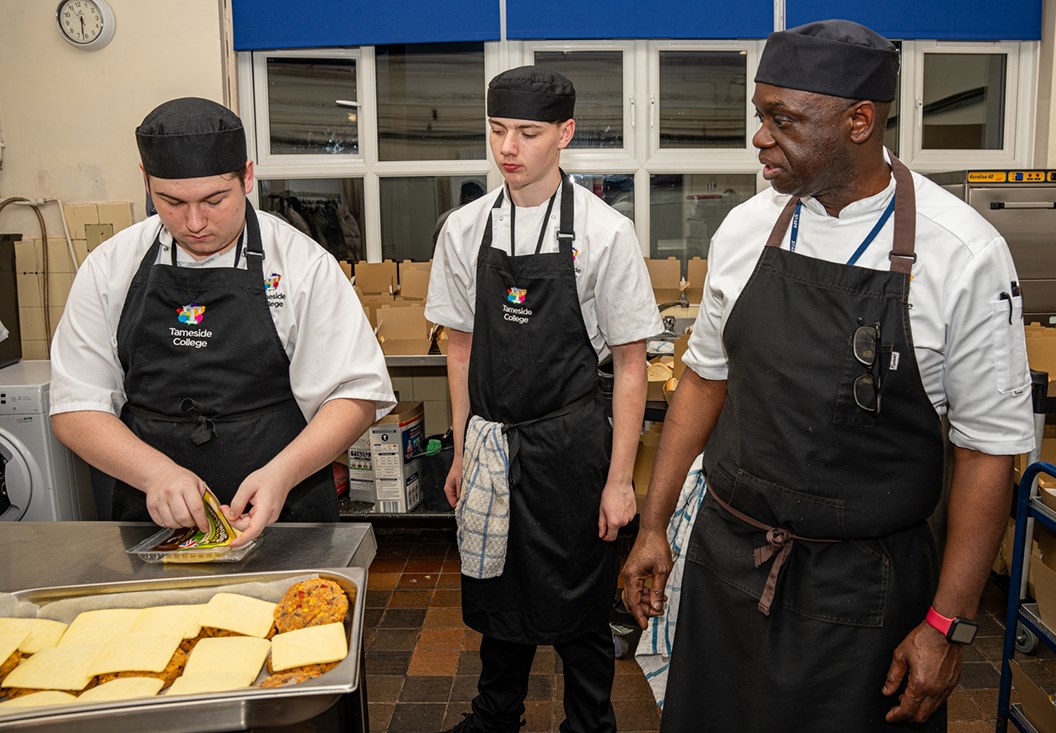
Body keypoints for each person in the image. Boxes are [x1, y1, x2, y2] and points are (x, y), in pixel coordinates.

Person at [621, 19, 1034, 733]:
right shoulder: (746, 230)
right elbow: (703, 382)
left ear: (859, 121)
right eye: (760, 115)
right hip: (729, 565)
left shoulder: (963, 254)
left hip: (865, 596)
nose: (759, 136)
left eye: (783, 119)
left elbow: (987, 452)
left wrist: (947, 624)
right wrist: (654, 523)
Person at [426, 67, 662, 733]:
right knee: (497, 585)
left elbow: (631, 364)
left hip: (571, 444)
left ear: (564, 134)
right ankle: (496, 714)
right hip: (492, 439)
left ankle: (589, 722)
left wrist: (620, 480)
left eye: (528, 133)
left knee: (578, 595)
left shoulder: (603, 232)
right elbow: (461, 349)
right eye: (499, 130)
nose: (509, 147)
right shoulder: (465, 229)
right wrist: (461, 445)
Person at [49, 97, 395, 545]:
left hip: (283, 508)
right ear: (146, 181)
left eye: (214, 200)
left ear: (247, 176)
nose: (194, 222)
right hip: (151, 515)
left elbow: (355, 394)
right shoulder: (110, 267)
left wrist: (282, 474)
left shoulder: (301, 265)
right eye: (170, 202)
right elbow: (76, 406)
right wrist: (154, 473)